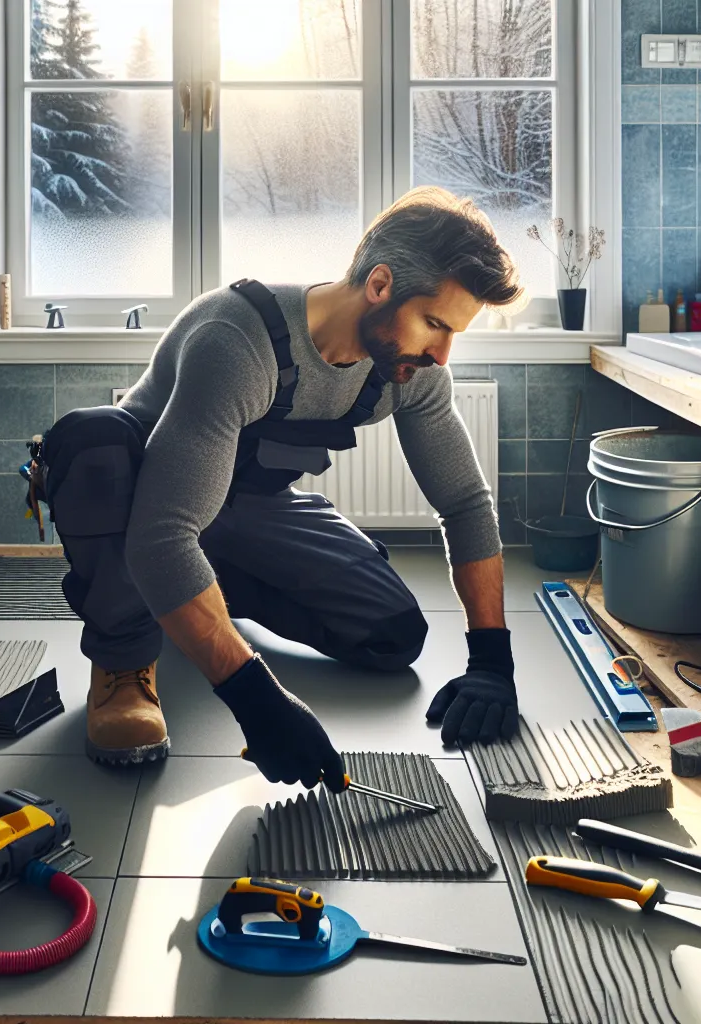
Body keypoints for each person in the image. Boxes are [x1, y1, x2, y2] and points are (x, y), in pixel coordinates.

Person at [27, 187, 526, 792]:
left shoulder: (409, 373)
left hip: (245, 509)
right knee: (93, 442)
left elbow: (465, 503)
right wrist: (256, 699)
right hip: (147, 507)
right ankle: (123, 659)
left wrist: (492, 659)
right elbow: (161, 535)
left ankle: (188, 600)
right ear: (379, 285)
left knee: (392, 634)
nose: (442, 355)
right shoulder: (237, 339)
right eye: (435, 325)